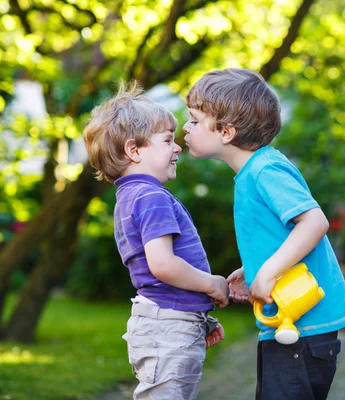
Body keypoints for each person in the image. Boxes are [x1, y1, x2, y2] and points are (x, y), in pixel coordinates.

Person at [182, 68, 345, 400]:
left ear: (225, 131)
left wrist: (269, 271)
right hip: (289, 327)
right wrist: (254, 270)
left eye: (194, 120)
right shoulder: (254, 171)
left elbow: (314, 222)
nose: (185, 128)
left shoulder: (265, 169)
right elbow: (284, 235)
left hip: (301, 330)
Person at [83, 82, 229, 400]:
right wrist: (211, 284)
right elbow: (162, 266)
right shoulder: (150, 196)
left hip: (167, 323)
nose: (177, 147)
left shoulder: (130, 196)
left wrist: (199, 318)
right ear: (134, 151)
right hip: (168, 330)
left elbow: (157, 280)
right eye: (166, 141)